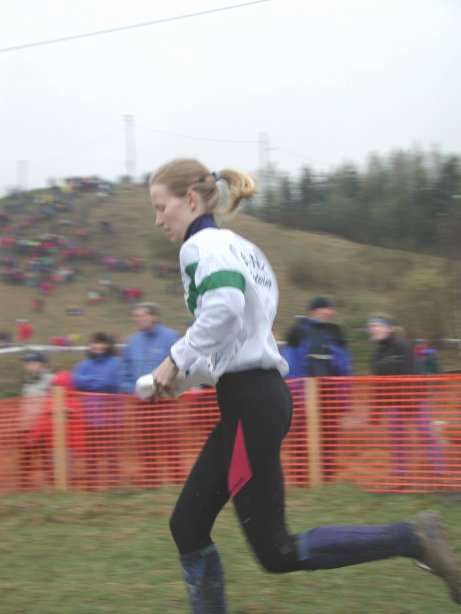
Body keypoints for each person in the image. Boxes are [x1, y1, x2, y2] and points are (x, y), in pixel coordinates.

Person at [149, 158, 461, 612]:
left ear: (191, 200)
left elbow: (224, 310)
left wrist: (174, 359)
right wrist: (183, 378)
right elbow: (240, 335)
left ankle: (411, 537)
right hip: (259, 398)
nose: (158, 219)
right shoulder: (243, 248)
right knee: (250, 543)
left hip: (250, 405)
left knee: (210, 532)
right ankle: (412, 537)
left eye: (161, 207)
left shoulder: (198, 247)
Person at [282, 297, 352, 482]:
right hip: (304, 392)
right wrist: (296, 394)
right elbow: (291, 364)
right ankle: (301, 476)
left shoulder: (335, 332)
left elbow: (344, 365)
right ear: (314, 310)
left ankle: (327, 476)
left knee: (329, 436)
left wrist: (343, 397)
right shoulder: (298, 331)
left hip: (330, 394)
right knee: (301, 436)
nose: (328, 312)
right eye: (324, 308)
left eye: (330, 309)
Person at [368, 315, 444, 482]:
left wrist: (412, 400)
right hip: (393, 402)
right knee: (397, 439)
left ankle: (439, 471)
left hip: (415, 398)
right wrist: (376, 411)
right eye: (371, 326)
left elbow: (413, 372)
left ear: (389, 328)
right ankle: (400, 475)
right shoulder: (375, 355)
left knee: (425, 434)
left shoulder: (402, 346)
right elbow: (378, 385)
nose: (374, 328)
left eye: (378, 325)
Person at [120, 303, 181, 487]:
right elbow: (124, 371)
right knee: (146, 443)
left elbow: (182, 365)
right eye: (136, 317)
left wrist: (170, 385)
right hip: (142, 403)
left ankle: (176, 479)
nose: (139, 320)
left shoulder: (171, 337)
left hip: (166, 401)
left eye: (142, 316)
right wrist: (133, 389)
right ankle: (151, 481)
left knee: (170, 441)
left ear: (153, 316)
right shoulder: (132, 342)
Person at [73, 332, 122, 489]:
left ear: (107, 345)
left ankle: (114, 483)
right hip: (91, 417)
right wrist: (97, 382)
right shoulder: (83, 365)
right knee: (91, 453)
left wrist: (89, 382)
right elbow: (76, 381)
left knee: (112, 453)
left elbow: (111, 382)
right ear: (90, 346)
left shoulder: (116, 362)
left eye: (101, 343)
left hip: (111, 417)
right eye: (94, 343)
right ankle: (92, 483)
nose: (98, 346)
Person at [17, 351, 54, 488]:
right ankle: (24, 482)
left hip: (44, 424)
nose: (30, 366)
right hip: (28, 425)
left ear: (42, 364)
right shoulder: (27, 381)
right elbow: (25, 403)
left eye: (34, 363)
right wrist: (22, 423)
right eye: (28, 363)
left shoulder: (50, 379)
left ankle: (52, 482)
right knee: (26, 454)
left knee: (46, 455)